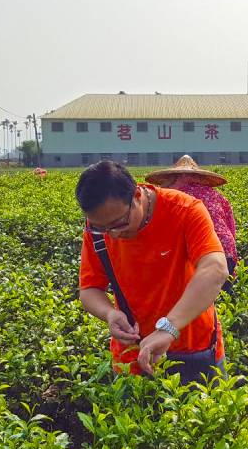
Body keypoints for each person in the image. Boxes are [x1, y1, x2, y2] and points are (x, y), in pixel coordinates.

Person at [76, 160, 229, 383]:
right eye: (102, 228)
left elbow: (215, 269)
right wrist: (109, 313)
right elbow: (89, 289)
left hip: (192, 347)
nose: (113, 234)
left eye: (119, 223)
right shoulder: (98, 231)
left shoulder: (185, 210)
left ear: (137, 195)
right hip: (131, 354)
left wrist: (169, 328)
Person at [146, 155, 238, 292]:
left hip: (201, 250)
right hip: (225, 248)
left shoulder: (172, 195)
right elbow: (230, 225)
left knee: (199, 297)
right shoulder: (215, 194)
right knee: (224, 295)